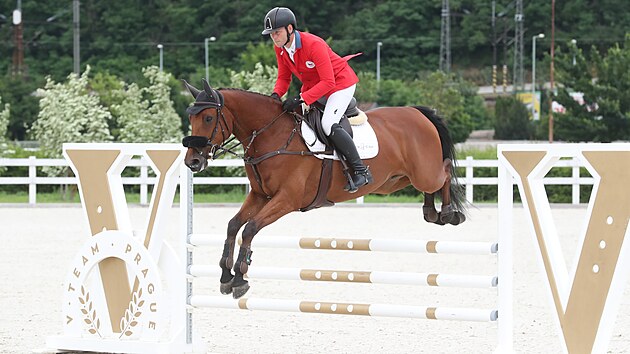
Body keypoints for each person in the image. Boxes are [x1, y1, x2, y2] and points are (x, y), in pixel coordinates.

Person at [262, 6, 373, 193]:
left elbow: (328, 81)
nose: (274, 37)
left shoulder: (314, 44)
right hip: (315, 87)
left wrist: (301, 98)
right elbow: (283, 78)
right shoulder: (280, 48)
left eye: (277, 32)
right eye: (271, 34)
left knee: (328, 123)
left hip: (340, 83)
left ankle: (361, 171)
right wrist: (275, 96)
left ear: (290, 29)